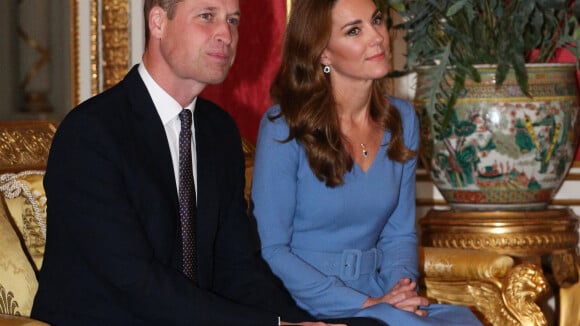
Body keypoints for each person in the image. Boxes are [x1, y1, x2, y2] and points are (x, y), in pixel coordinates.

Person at [30, 0, 385, 325]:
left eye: (233, 20)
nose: (225, 34)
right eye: (207, 16)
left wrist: (301, 323)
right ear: (158, 22)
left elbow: (239, 268)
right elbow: (134, 281)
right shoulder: (92, 133)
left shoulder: (218, 131)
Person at [250, 0, 483, 325]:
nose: (377, 37)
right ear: (324, 53)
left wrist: (399, 292)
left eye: (376, 21)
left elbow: (399, 235)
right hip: (306, 304)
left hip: (381, 296)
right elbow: (272, 251)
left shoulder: (402, 119)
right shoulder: (284, 127)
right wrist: (370, 303)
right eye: (354, 30)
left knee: (462, 320)